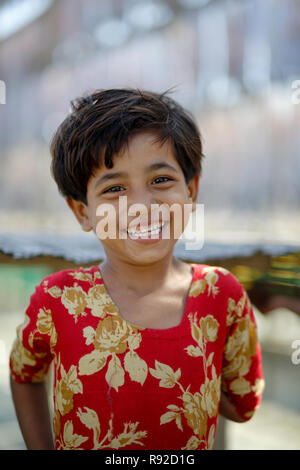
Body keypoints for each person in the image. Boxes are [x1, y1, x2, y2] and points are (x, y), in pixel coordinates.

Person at [9, 88, 264, 450]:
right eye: (114, 188)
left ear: (191, 190)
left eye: (161, 180)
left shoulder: (222, 294)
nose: (141, 206)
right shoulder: (59, 299)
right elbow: (24, 373)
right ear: (83, 212)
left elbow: (243, 405)